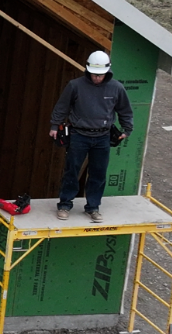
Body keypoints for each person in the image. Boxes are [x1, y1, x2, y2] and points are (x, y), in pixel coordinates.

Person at [49, 50, 132, 221]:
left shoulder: (116, 88)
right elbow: (61, 106)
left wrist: (126, 129)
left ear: (107, 72)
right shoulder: (75, 85)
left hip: (102, 137)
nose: (97, 78)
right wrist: (54, 126)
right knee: (71, 170)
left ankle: (93, 207)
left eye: (100, 75)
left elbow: (124, 110)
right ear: (88, 71)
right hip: (79, 135)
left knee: (98, 173)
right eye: (94, 75)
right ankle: (65, 205)